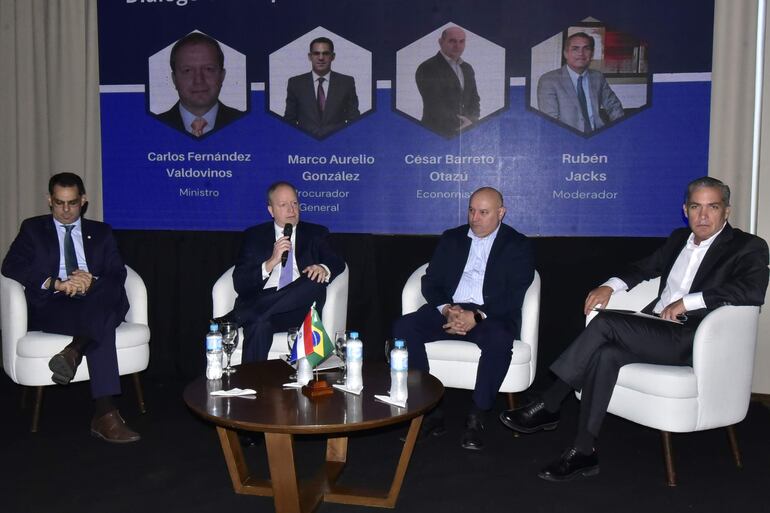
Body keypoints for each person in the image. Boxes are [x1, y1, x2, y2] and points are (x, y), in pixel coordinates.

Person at [500, 176, 769, 481]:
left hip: (696, 338)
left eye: (713, 207)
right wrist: (609, 286)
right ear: (685, 210)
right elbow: (643, 268)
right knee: (606, 354)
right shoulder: (679, 239)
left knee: (605, 323)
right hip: (657, 329)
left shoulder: (748, 246)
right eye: (696, 207)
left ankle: (549, 403)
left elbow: (752, 290)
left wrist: (689, 302)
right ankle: (583, 451)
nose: (703, 215)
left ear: (726, 211)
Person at [1, 172, 141, 443]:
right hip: (54, 304)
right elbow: (11, 265)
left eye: (72, 203)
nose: (65, 210)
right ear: (49, 200)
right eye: (59, 203)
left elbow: (117, 272)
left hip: (94, 297)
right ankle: (105, 413)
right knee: (105, 316)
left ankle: (74, 351)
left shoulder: (101, 232)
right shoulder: (33, 229)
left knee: (107, 292)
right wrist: (54, 283)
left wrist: (91, 281)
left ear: (83, 200)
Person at [393, 187, 534, 450]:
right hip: (451, 309)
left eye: (483, 212)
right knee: (404, 327)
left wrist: (477, 316)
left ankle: (477, 417)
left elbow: (514, 295)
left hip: (490, 314)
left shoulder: (517, 244)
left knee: (500, 339)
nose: (475, 218)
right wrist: (447, 309)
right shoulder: (452, 238)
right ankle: (429, 412)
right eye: (471, 210)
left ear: (501, 213)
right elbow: (430, 281)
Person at [222, 182, 345, 363]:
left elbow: (337, 262)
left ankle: (240, 315)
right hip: (265, 306)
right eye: (283, 205)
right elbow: (240, 282)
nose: (291, 209)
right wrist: (271, 262)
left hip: (299, 308)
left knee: (313, 281)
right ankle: (252, 379)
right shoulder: (254, 236)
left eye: (294, 203)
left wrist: (322, 268)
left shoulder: (316, 233)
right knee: (258, 322)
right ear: (271, 210)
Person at [156, 32, 243, 137]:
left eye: (208, 69)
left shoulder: (245, 124)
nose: (199, 80)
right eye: (187, 70)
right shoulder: (152, 127)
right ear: (174, 79)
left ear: (222, 76)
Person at [537, 32, 624, 133]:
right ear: (566, 53)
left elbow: (614, 107)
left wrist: (620, 130)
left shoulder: (597, 77)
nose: (581, 53)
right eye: (575, 49)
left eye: (586, 49)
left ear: (591, 54)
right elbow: (551, 122)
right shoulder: (549, 80)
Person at [284, 37, 360, 138]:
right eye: (316, 53)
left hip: (338, 143)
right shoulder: (295, 83)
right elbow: (289, 121)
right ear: (310, 56)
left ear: (333, 56)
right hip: (305, 144)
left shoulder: (346, 82)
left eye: (326, 53)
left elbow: (355, 120)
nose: (321, 58)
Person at [415, 26, 481, 138]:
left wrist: (472, 120)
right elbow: (434, 104)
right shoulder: (428, 67)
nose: (457, 46)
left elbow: (474, 99)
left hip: (465, 132)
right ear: (441, 42)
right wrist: (462, 123)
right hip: (435, 132)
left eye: (461, 41)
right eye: (452, 41)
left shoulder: (467, 68)